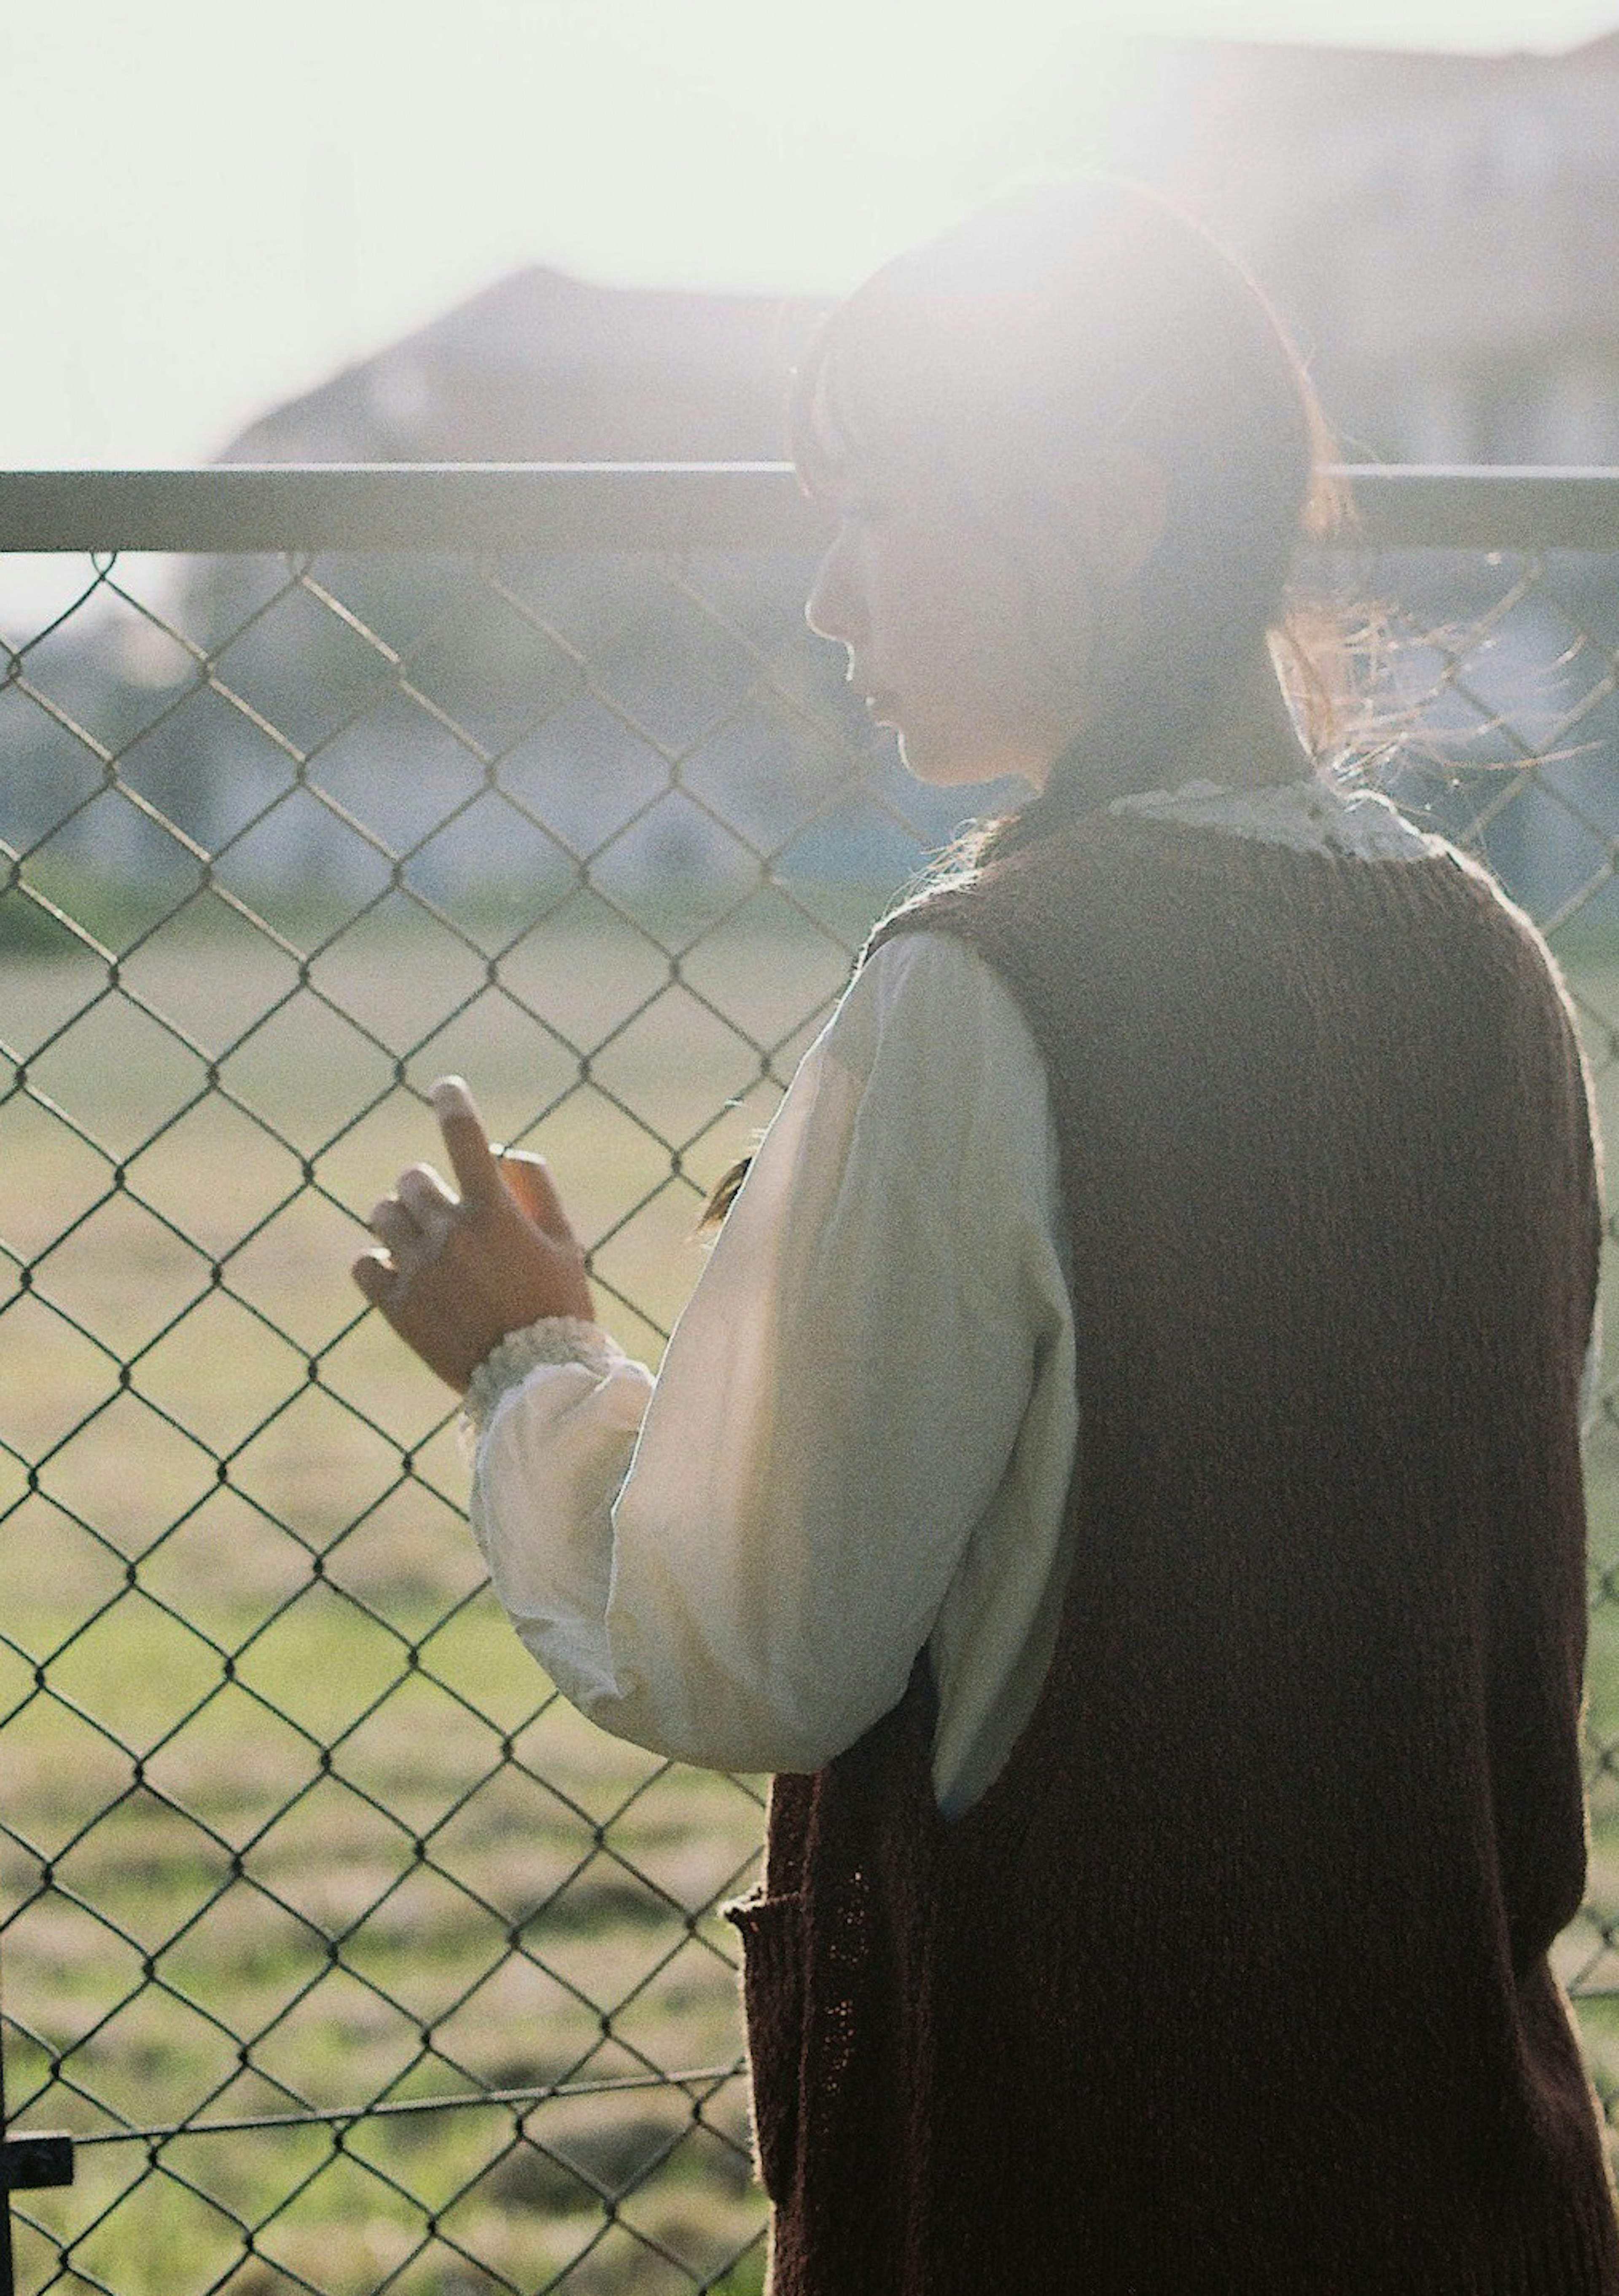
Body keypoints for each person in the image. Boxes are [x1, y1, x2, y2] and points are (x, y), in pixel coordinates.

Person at [352, 180, 1619, 2293]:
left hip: (1088, 2185)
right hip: (1469, 2171)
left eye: (882, 510)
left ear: (1108, 508)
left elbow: (754, 1639)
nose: (833, 602)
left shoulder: (984, 992)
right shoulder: (1492, 970)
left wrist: (536, 1366)